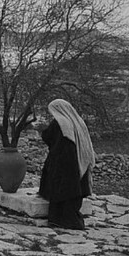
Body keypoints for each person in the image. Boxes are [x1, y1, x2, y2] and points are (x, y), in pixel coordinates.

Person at [36, 99, 96, 231]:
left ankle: (59, 220)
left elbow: (48, 136)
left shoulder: (60, 122)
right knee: (74, 191)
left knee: (60, 190)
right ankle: (73, 220)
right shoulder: (77, 121)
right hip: (79, 160)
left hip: (62, 161)